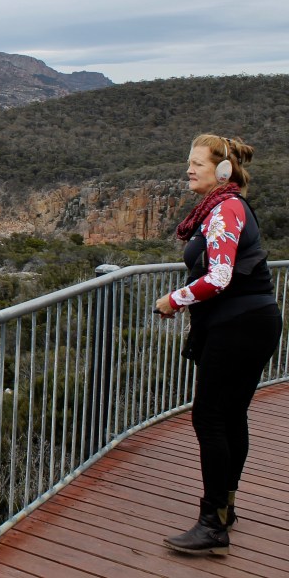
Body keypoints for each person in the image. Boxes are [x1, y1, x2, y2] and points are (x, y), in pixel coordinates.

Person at [154, 134, 282, 556]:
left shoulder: (225, 209)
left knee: (209, 418)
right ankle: (224, 509)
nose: (189, 170)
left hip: (238, 325)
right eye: (189, 162)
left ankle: (212, 525)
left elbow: (220, 277)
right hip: (253, 321)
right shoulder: (226, 206)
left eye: (197, 163)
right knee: (230, 416)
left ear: (223, 170)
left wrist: (174, 300)